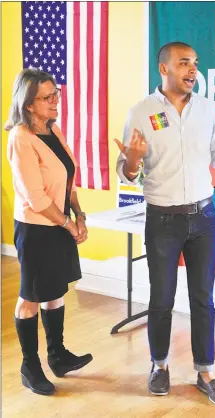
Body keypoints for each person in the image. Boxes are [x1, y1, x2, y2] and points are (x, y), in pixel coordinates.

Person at [115, 41, 215, 407]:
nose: (193, 70)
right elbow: (128, 173)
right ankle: (159, 366)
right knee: (161, 299)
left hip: (204, 218)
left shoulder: (206, 109)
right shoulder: (141, 111)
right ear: (164, 69)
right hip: (162, 219)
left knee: (203, 300)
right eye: (184, 63)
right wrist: (132, 160)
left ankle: (205, 372)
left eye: (195, 63)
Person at [6, 69, 93, 396]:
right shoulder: (20, 138)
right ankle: (31, 366)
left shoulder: (52, 131)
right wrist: (69, 223)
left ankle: (57, 356)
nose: (56, 101)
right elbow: (36, 197)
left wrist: (79, 214)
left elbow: (68, 180)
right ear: (29, 104)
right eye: (48, 97)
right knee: (30, 296)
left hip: (58, 224)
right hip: (37, 229)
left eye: (56, 93)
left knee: (54, 291)